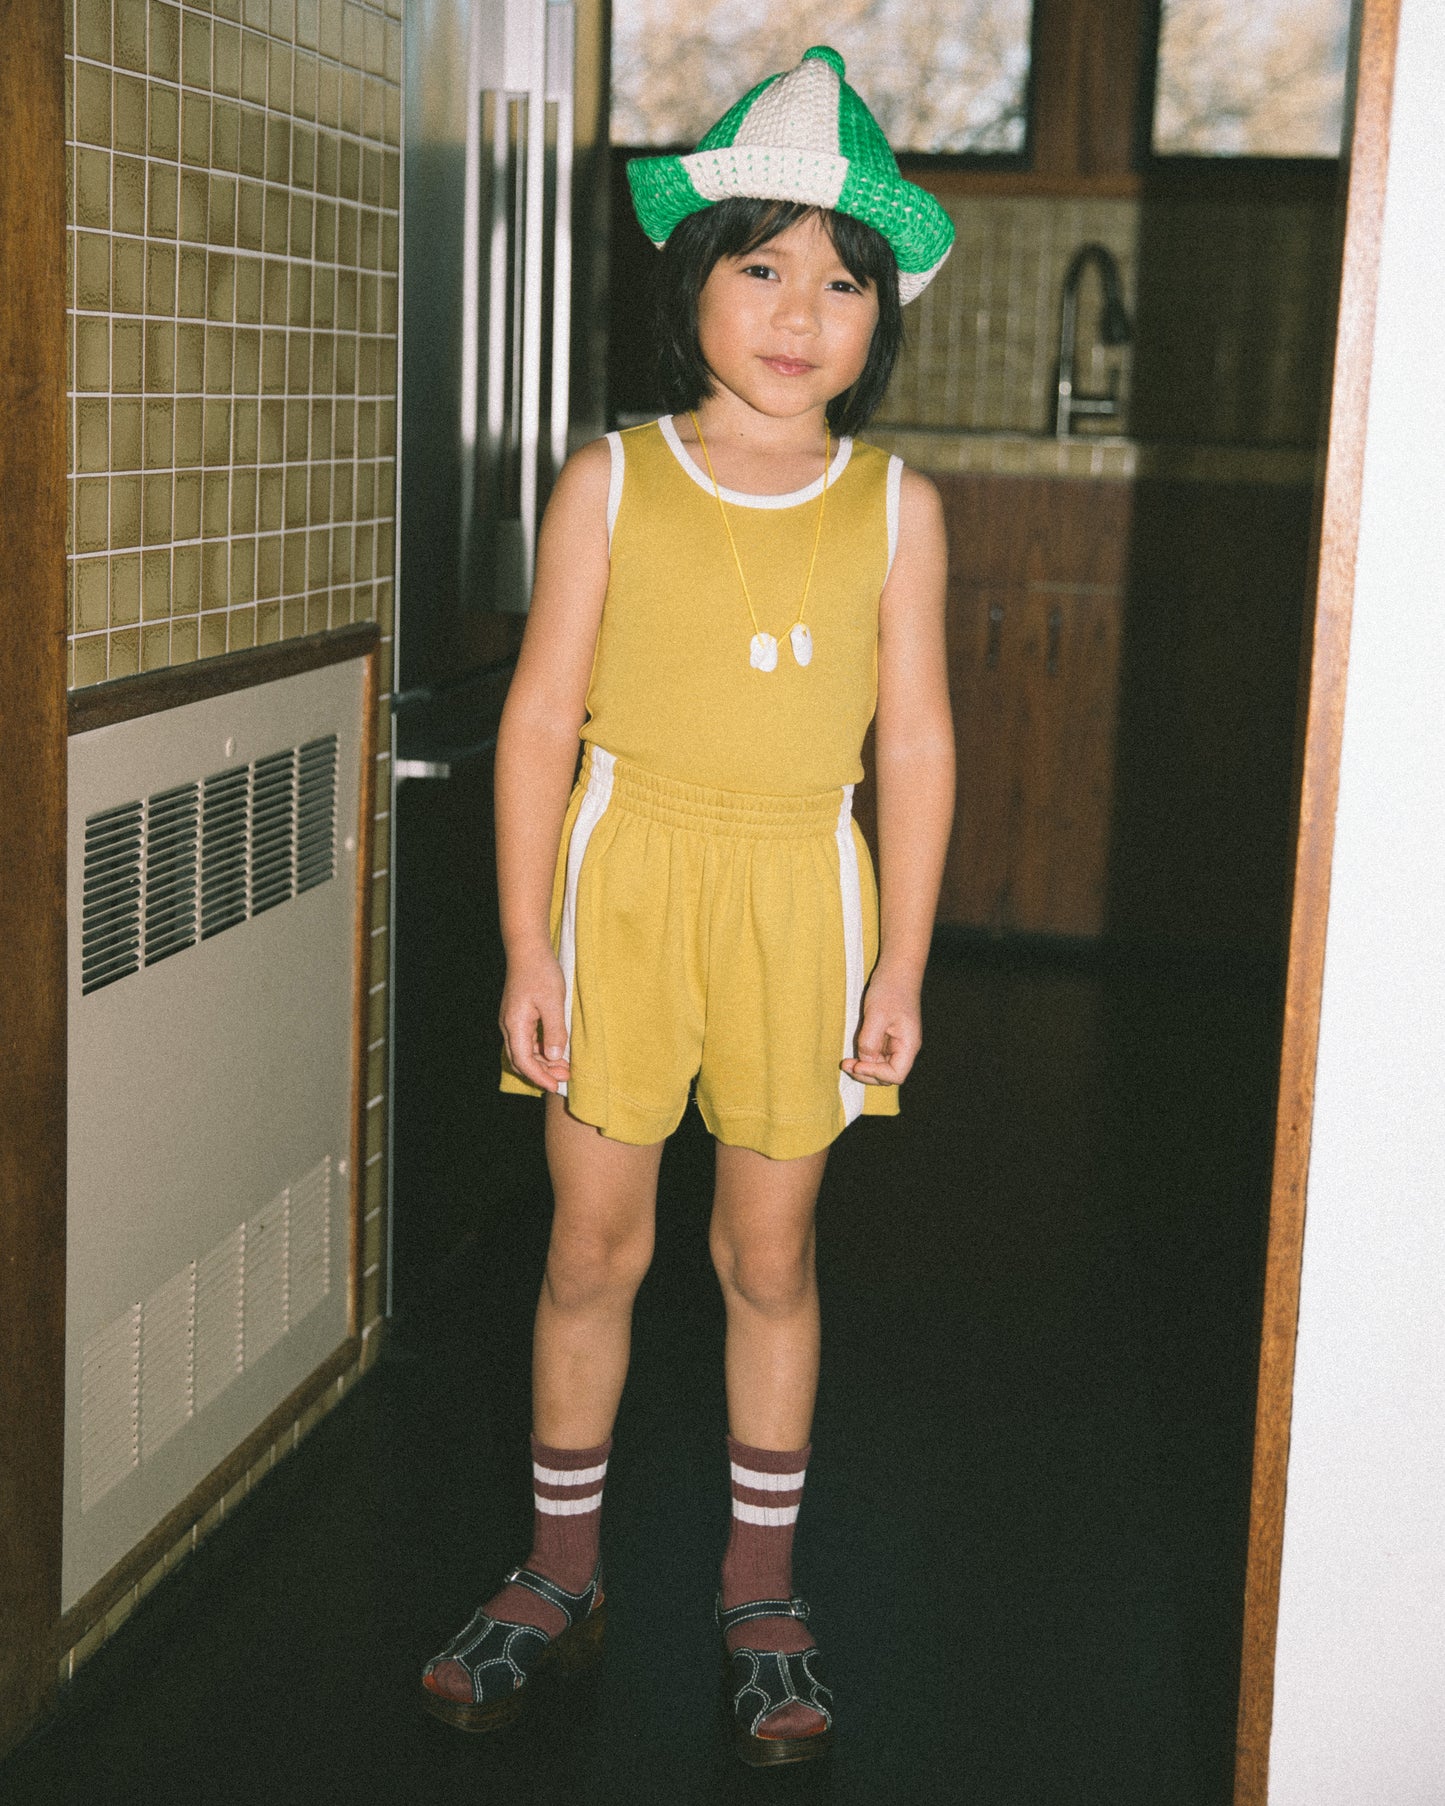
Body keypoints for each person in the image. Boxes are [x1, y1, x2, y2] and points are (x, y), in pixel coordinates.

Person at [420, 45, 956, 1768]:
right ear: (695, 280)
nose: (801, 310)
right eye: (762, 262)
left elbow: (921, 743)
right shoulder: (612, 478)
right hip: (622, 880)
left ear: (880, 316)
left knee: (768, 1254)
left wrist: (906, 958)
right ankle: (557, 1566)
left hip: (803, 888)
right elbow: (535, 722)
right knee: (591, 1244)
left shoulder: (897, 508)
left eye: (842, 279)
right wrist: (524, 940)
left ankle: (758, 1585)